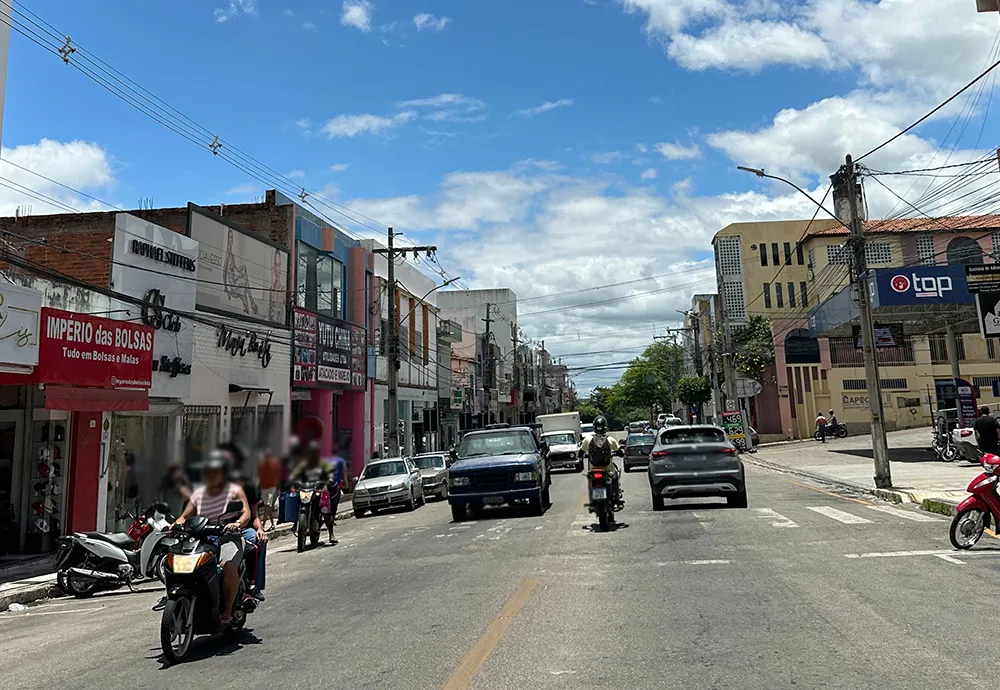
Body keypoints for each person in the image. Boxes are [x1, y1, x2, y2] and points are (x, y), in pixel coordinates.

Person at [171, 449, 250, 625]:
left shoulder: (234, 491)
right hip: (203, 538)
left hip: (228, 537)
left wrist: (237, 524)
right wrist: (175, 524)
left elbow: (246, 513)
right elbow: (185, 516)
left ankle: (227, 610)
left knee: (228, 566)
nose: (212, 475)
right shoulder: (199, 494)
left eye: (216, 472)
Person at [219, 442, 268, 601]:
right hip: (214, 529)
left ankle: (254, 585)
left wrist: (260, 529)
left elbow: (253, 515)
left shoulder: (249, 486)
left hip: (242, 529)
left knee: (257, 539)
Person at [291, 441, 337, 544]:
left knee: (325, 511)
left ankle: (331, 534)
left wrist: (330, 478)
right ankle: (296, 523)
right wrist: (293, 480)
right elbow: (296, 473)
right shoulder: (304, 463)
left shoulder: (322, 463)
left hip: (320, 488)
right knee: (298, 501)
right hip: (307, 488)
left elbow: (329, 472)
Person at [580, 416, 623, 513]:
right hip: (608, 469)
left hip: (593, 469)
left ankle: (592, 501)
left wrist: (581, 456)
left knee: (591, 480)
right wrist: (619, 453)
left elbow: (580, 452)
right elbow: (620, 453)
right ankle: (617, 498)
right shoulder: (610, 439)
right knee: (615, 476)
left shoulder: (588, 439)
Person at [257, 451, 281, 531]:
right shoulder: (262, 464)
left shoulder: (274, 464)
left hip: (270, 487)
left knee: (268, 505)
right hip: (264, 487)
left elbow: (277, 476)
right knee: (267, 506)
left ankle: (263, 524)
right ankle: (272, 524)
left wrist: (278, 488)